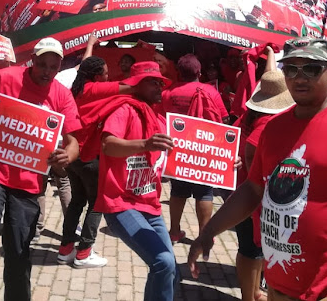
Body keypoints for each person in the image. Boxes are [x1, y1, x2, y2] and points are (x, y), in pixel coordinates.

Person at [189, 37, 327, 301]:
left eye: (311, 68)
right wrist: (209, 231)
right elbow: (252, 189)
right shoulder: (274, 129)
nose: (299, 77)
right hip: (279, 286)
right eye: (291, 69)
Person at [0, 37, 80, 301]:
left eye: (53, 66)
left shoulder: (61, 95)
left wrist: (65, 157)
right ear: (32, 60)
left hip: (29, 184)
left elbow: (73, 142)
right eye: (42, 64)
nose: (47, 71)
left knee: (19, 250)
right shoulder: (6, 77)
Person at [88, 61, 176, 301]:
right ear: (137, 85)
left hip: (151, 206)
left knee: (168, 269)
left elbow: (177, 160)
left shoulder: (158, 118)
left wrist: (221, 168)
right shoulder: (124, 110)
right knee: (164, 261)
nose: (159, 87)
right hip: (121, 204)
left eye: (161, 82)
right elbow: (108, 145)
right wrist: (145, 144)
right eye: (153, 82)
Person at [57, 55, 134, 268]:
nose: (108, 77)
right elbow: (124, 88)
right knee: (97, 202)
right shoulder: (93, 89)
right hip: (88, 156)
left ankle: (65, 249)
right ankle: (84, 252)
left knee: (77, 201)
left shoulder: (76, 89)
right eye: (106, 73)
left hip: (71, 155)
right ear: (97, 76)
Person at [235, 69, 295, 301]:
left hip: (242, 189)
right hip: (254, 195)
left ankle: (253, 293)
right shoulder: (269, 121)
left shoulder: (248, 115)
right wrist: (259, 185)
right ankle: (250, 296)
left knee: (250, 247)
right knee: (252, 249)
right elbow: (250, 152)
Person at [162, 54, 226, 243]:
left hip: (178, 149)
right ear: (199, 71)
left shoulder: (169, 91)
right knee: (204, 192)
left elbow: (162, 117)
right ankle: (204, 235)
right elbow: (222, 119)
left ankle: (174, 231)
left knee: (177, 191)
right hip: (203, 149)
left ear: (179, 72)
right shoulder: (210, 91)